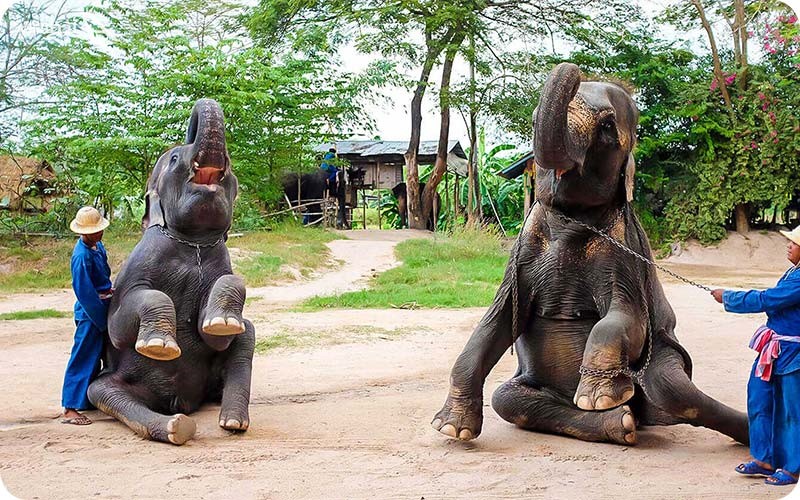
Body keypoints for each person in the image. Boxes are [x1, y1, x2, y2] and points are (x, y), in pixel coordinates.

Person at [711, 225, 800, 486]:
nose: (788, 246)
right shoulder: (793, 271)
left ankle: (792, 467)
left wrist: (728, 297)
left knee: (791, 410)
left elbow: (769, 299)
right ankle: (764, 459)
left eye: (793, 243)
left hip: (793, 353)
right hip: (772, 349)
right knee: (759, 399)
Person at [60, 206, 112, 425]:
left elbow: (104, 276)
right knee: (83, 356)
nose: (100, 234)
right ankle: (70, 407)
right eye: (96, 231)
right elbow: (84, 291)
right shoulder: (80, 256)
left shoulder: (97, 246)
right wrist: (100, 320)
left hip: (104, 303)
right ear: (85, 233)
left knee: (96, 357)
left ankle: (86, 400)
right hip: (91, 313)